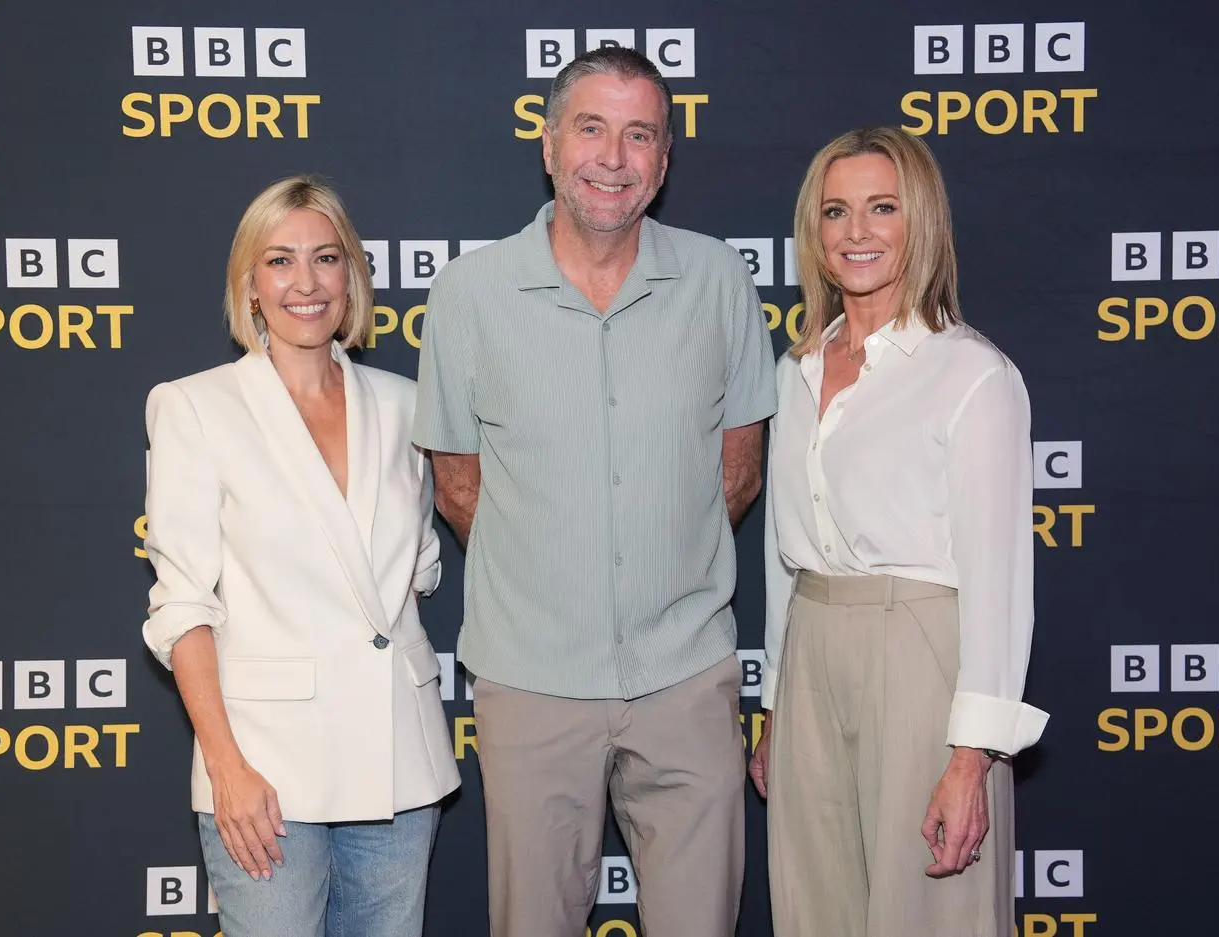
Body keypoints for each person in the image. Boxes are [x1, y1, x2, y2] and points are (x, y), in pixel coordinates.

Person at [413, 46, 777, 937]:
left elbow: (738, 470)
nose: (613, 157)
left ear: (662, 160)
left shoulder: (721, 281)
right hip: (532, 679)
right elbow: (459, 486)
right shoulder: (469, 294)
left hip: (687, 677)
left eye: (639, 134)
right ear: (547, 145)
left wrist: (660, 555)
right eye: (591, 128)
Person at [748, 127, 1050, 937]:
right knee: (814, 909)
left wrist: (972, 756)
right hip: (812, 649)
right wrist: (776, 703)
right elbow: (785, 558)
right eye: (836, 211)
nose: (857, 233)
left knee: (932, 913)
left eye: (882, 208)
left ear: (920, 221)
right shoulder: (796, 369)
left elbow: (999, 581)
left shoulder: (972, 373)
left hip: (921, 656)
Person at [141, 175, 459, 937]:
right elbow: (183, 605)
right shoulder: (196, 406)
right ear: (250, 284)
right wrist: (225, 764)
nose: (306, 283)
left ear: (351, 276)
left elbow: (416, 570)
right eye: (279, 261)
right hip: (267, 765)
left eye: (326, 258)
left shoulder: (403, 403)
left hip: (397, 758)